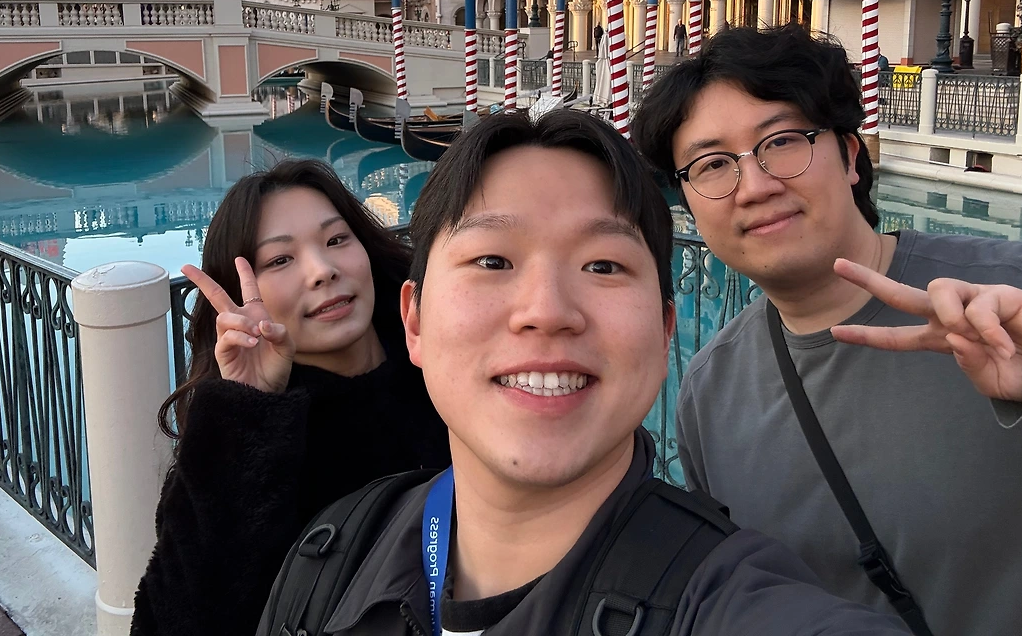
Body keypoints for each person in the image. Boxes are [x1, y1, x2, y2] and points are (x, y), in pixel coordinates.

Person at [258, 111, 907, 636]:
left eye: (603, 266)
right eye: (492, 261)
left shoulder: (727, 604)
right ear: (416, 320)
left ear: (664, 331)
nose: (546, 312)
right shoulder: (335, 552)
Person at [631, 24, 1022, 636]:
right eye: (712, 165)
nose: (755, 186)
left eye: (782, 142)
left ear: (848, 155)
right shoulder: (710, 394)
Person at [131, 160, 450, 636]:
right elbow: (180, 620)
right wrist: (249, 408)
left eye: (336, 239)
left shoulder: (447, 362)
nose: (322, 271)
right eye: (280, 260)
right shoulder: (249, 440)